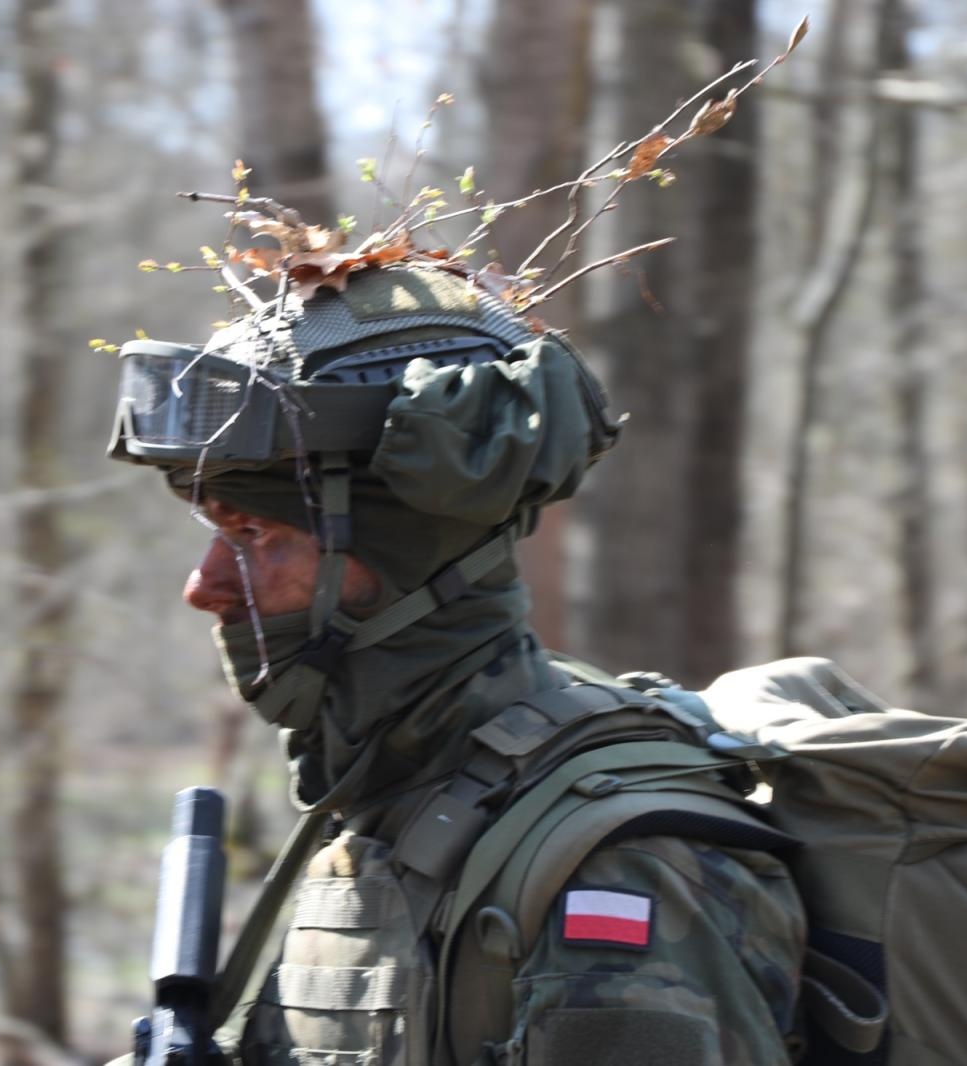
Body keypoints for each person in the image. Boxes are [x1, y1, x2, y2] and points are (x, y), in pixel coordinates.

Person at [109, 263, 806, 1065]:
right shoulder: (391, 795)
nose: (204, 587)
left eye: (255, 536)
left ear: (401, 557)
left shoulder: (615, 867)